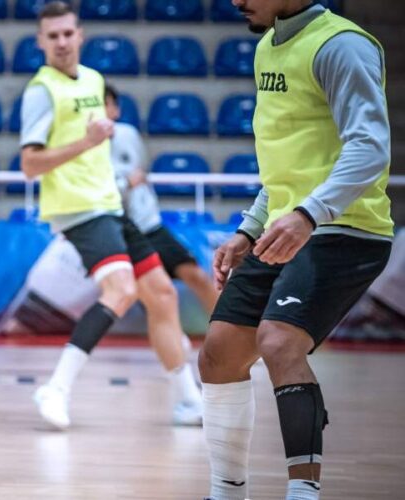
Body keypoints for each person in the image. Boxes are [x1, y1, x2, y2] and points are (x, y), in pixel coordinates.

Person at [199, 2, 394, 499]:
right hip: (287, 226)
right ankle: (226, 493)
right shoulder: (267, 45)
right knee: (219, 354)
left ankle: (303, 494)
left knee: (279, 342)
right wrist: (250, 229)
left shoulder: (342, 46)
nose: (236, 0)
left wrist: (309, 214)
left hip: (345, 226)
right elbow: (287, 167)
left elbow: (370, 147)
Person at [20, 1, 203, 429]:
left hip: (110, 206)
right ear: (41, 42)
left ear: (80, 35)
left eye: (68, 33)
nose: (62, 41)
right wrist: (84, 143)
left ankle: (189, 401)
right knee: (120, 290)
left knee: (162, 294)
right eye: (53, 36)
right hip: (76, 208)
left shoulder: (95, 80)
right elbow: (30, 164)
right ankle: (56, 388)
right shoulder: (40, 90)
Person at [104, 84, 220, 314]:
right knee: (138, 292)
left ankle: (228, 334)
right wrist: (126, 184)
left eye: (105, 103)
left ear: (115, 110)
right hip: (112, 231)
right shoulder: (81, 149)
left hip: (148, 226)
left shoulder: (128, 134)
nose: (100, 110)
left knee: (194, 274)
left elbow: (140, 171)